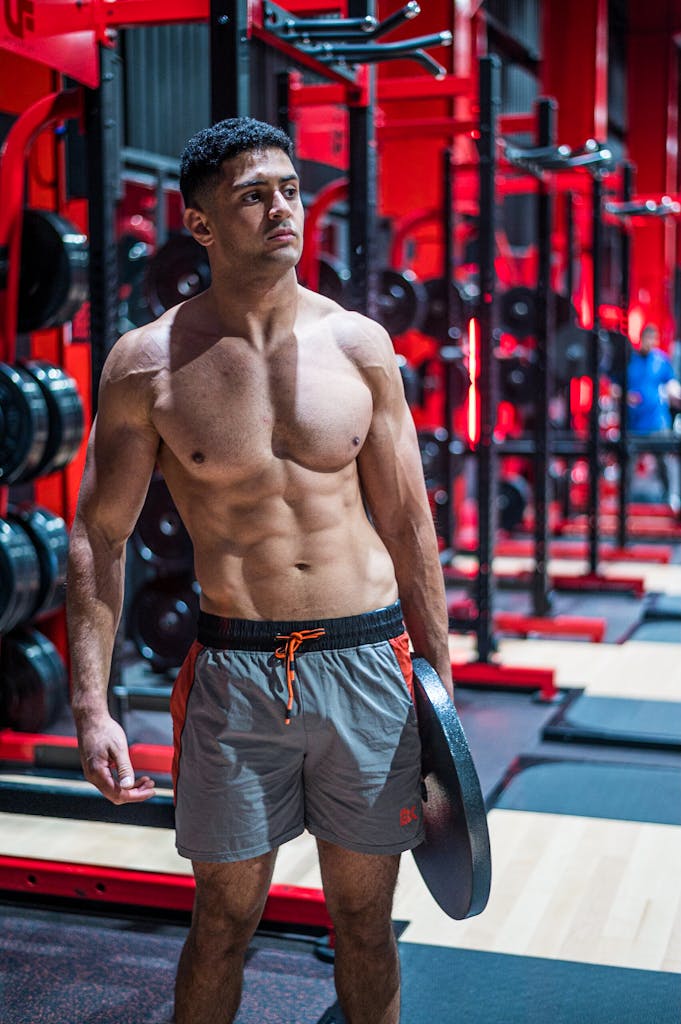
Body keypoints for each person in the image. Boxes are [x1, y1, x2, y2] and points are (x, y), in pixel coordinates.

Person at [66, 117, 452, 1024]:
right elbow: (98, 537)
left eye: (288, 188)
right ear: (198, 225)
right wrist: (91, 707)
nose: (281, 208)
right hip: (236, 674)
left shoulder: (359, 347)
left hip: (368, 666)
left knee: (362, 918)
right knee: (224, 917)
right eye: (252, 195)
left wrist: (439, 688)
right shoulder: (148, 364)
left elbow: (409, 522)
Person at [626, 323, 681, 513]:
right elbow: (614, 386)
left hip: (658, 423)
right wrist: (624, 396)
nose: (650, 343)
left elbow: (672, 385)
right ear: (641, 339)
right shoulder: (629, 360)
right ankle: (623, 503)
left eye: (653, 339)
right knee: (628, 463)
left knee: (664, 462)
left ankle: (670, 501)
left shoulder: (661, 361)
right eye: (647, 338)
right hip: (634, 424)